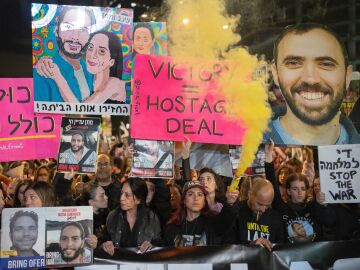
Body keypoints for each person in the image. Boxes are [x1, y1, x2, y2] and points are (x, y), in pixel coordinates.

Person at [264, 23, 360, 145]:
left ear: (347, 76)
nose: (311, 79)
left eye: (326, 64)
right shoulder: (243, 149)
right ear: (276, 74)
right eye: (294, 63)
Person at [34, 6, 95, 102]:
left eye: (83, 30)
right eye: (68, 27)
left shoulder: (91, 71)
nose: (75, 37)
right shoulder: (43, 72)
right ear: (57, 30)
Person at [49, 30, 126, 103]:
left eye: (101, 51)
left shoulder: (115, 84)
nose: (92, 55)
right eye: (90, 48)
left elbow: (79, 109)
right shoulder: (87, 78)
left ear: (111, 61)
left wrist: (58, 77)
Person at [163, 180, 236, 247]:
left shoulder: (213, 223)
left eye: (200, 195)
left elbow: (228, 217)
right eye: (190, 194)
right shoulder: (172, 226)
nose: (196, 198)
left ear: (204, 201)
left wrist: (230, 203)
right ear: (184, 200)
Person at [101, 178, 161, 255]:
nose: (121, 198)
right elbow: (103, 241)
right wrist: (104, 245)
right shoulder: (113, 216)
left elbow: (159, 244)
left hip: (142, 264)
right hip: (118, 264)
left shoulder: (151, 218)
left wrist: (152, 246)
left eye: (127, 195)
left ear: (139, 200)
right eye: (121, 193)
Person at [225, 178, 284, 250]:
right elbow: (227, 244)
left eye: (267, 205)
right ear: (250, 194)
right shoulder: (236, 212)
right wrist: (251, 245)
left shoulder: (275, 217)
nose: (263, 209)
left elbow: (281, 248)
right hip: (242, 260)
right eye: (259, 204)